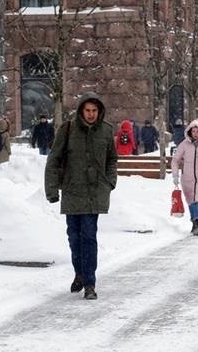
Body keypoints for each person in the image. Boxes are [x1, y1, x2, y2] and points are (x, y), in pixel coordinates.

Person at [44, 93, 118, 300]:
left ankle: (89, 283)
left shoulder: (106, 131)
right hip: (71, 190)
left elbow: (112, 159)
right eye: (88, 110)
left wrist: (110, 182)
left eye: (94, 111)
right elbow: (53, 160)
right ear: (81, 111)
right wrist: (51, 190)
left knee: (89, 236)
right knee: (74, 237)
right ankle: (79, 272)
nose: (91, 114)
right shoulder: (67, 130)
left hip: (95, 192)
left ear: (99, 111)